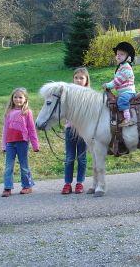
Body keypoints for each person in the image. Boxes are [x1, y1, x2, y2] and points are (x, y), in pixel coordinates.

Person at [1, 88, 39, 197]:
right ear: (12, 99)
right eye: (15, 97)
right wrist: (3, 145)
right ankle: (7, 188)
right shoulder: (9, 112)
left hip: (22, 142)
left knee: (24, 165)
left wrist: (35, 145)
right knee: (8, 166)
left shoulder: (27, 112)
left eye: (20, 97)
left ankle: (27, 186)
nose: (18, 99)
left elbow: (31, 129)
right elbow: (5, 130)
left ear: (25, 99)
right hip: (10, 143)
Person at [61, 67, 90, 195]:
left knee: (82, 158)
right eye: (76, 78)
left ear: (86, 80)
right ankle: (67, 183)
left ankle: (80, 183)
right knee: (69, 157)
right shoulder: (68, 94)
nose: (78, 80)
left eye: (81, 78)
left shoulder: (89, 95)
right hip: (70, 129)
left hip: (83, 131)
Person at [102, 41, 136, 127]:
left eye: (122, 54)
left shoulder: (127, 68)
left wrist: (108, 85)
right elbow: (116, 79)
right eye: (117, 54)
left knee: (122, 101)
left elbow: (117, 81)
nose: (118, 56)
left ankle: (128, 119)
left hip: (128, 92)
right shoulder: (121, 67)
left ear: (128, 57)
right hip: (123, 92)